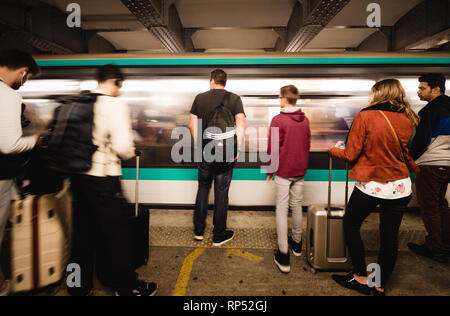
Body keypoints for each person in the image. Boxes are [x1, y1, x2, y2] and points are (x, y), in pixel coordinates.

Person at [68, 65, 157, 296]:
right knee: (117, 234)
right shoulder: (114, 104)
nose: (120, 91)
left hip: (78, 178)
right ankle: (125, 287)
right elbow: (122, 147)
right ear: (115, 82)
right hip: (103, 178)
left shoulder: (80, 101)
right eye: (120, 86)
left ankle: (78, 287)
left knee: (82, 234)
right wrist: (130, 150)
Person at [329, 79, 420, 296]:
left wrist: (333, 150)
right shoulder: (409, 118)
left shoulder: (366, 116)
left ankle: (361, 277)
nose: (370, 98)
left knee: (351, 224)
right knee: (389, 236)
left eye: (372, 94)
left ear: (379, 94)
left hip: (371, 185)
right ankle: (379, 284)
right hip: (400, 187)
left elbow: (350, 154)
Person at [188, 69, 246, 246]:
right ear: (225, 82)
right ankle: (219, 234)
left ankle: (199, 230)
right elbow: (241, 125)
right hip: (225, 154)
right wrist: (236, 149)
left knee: (203, 188)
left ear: (212, 80)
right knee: (222, 192)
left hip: (205, 152)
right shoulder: (235, 99)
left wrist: (200, 145)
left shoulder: (200, 98)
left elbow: (191, 124)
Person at [0, 49, 40, 296]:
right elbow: (10, 144)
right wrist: (34, 139)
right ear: (23, 72)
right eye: (26, 78)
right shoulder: (7, 95)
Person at [266, 85, 310, 273]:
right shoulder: (305, 120)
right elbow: (307, 144)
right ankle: (297, 244)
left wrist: (269, 168)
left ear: (284, 99)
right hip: (300, 170)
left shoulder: (278, 120)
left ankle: (283, 254)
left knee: (282, 209)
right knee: (297, 206)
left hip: (284, 171)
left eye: (280, 97)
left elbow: (272, 147)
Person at [408, 73, 450, 264]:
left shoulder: (429, 111)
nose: (418, 91)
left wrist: (409, 159)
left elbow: (420, 141)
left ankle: (436, 248)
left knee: (430, 207)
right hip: (447, 164)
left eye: (422, 88)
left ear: (436, 89)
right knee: (441, 204)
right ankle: (445, 243)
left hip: (431, 165)